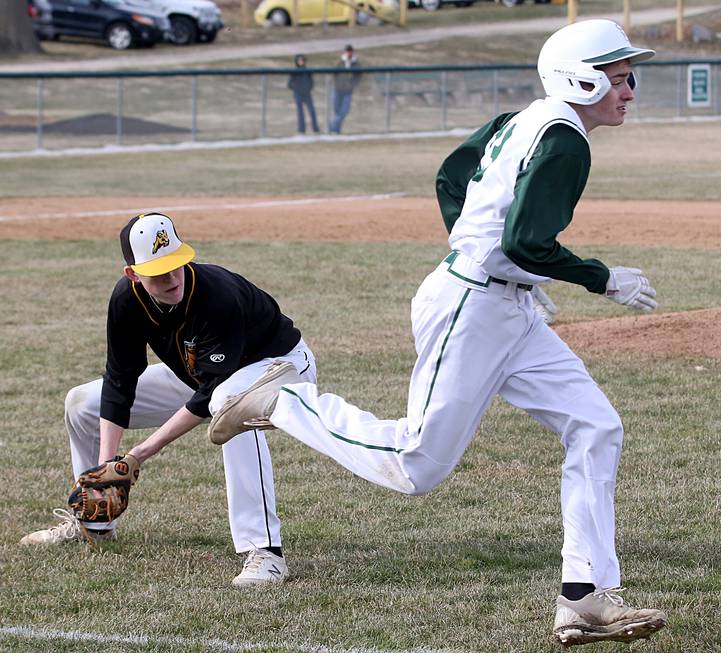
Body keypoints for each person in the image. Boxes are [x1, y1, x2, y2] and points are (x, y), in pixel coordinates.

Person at [208, 19, 667, 646]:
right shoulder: (564, 140)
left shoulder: (525, 117)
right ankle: (282, 401)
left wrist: (499, 264)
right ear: (580, 79)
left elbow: (454, 178)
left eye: (628, 76)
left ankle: (584, 595)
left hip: (499, 303)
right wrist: (598, 277)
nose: (630, 91)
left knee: (596, 426)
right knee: (414, 465)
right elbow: (525, 240)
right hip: (472, 309)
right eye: (620, 79)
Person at [20, 212, 317, 588]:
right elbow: (120, 379)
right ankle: (94, 524)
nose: (172, 277)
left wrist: (136, 456)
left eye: (176, 264)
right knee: (82, 402)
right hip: (208, 378)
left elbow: (213, 394)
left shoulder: (216, 294)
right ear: (133, 274)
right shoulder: (126, 300)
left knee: (232, 408)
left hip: (283, 369)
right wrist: (107, 468)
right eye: (158, 269)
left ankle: (265, 551)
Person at [328, 44, 361, 134]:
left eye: (350, 51)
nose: (349, 53)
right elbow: (333, 73)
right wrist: (335, 83)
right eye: (347, 51)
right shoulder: (339, 62)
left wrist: (352, 85)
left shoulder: (356, 64)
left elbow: (358, 77)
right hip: (337, 89)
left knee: (344, 111)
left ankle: (332, 126)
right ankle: (337, 130)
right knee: (337, 110)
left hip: (348, 91)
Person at [288, 54, 320, 134]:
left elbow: (311, 82)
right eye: (299, 60)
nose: (301, 62)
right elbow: (289, 84)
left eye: (302, 60)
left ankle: (315, 129)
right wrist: (296, 89)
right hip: (298, 94)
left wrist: (308, 88)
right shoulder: (294, 72)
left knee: (312, 111)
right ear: (297, 62)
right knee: (300, 113)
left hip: (307, 94)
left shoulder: (308, 71)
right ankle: (301, 130)